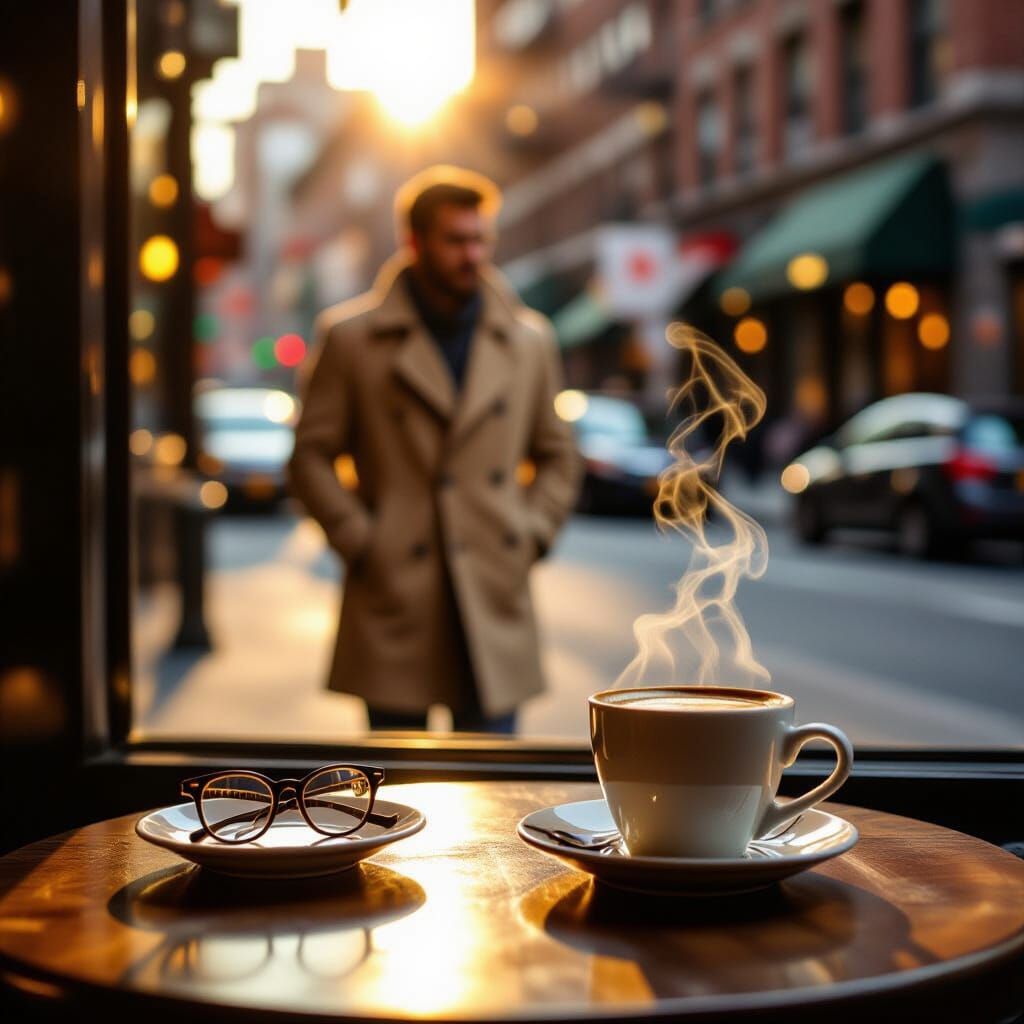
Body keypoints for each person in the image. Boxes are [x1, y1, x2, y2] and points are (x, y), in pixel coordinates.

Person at [286, 166, 581, 734]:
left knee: (493, 791)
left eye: (481, 239)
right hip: (396, 588)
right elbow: (310, 456)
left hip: (492, 585)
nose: (473, 254)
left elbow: (558, 452)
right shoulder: (351, 338)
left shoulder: (528, 339)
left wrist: (532, 532)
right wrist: (360, 537)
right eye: (456, 240)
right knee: (400, 794)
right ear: (413, 242)